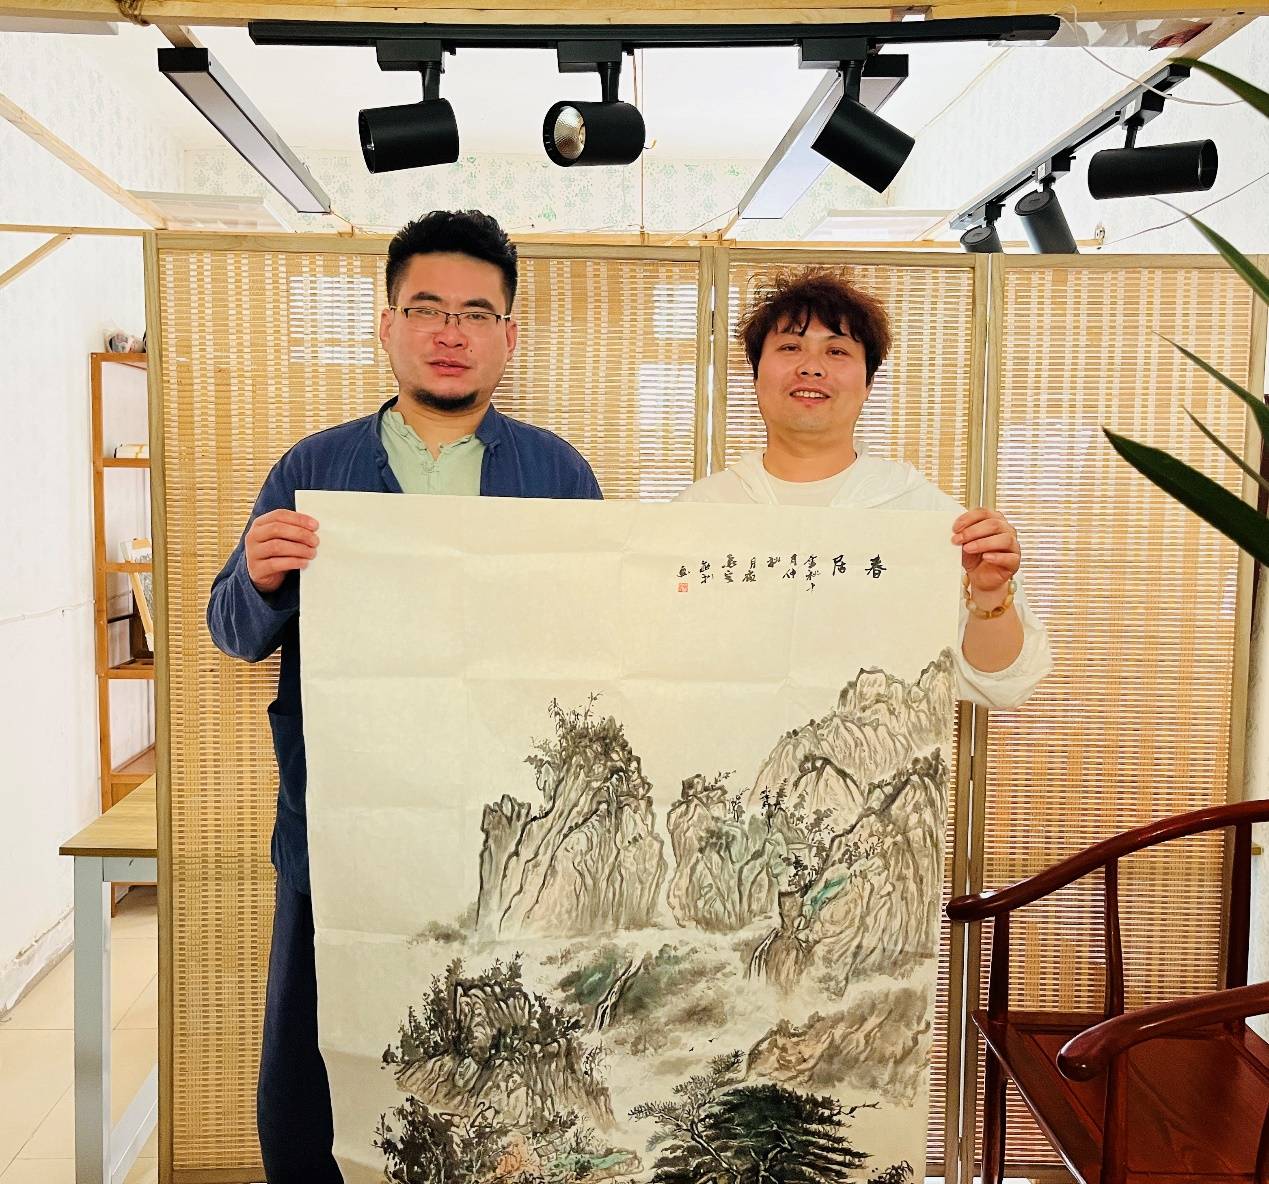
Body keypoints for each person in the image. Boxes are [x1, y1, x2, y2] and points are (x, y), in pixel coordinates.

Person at [206, 209, 601, 1183]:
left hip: (503, 838)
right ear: (387, 325)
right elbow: (231, 629)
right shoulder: (313, 468)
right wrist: (257, 575)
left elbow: (600, 647)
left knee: (497, 1071)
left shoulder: (556, 472)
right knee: (318, 1072)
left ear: (509, 336)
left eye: (476, 312)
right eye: (426, 308)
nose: (449, 332)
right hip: (343, 827)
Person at [676, 267, 1051, 706]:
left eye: (836, 351)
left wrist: (988, 593)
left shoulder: (929, 519)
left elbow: (1000, 685)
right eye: (790, 347)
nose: (811, 367)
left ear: (868, 383)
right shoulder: (698, 513)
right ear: (756, 375)